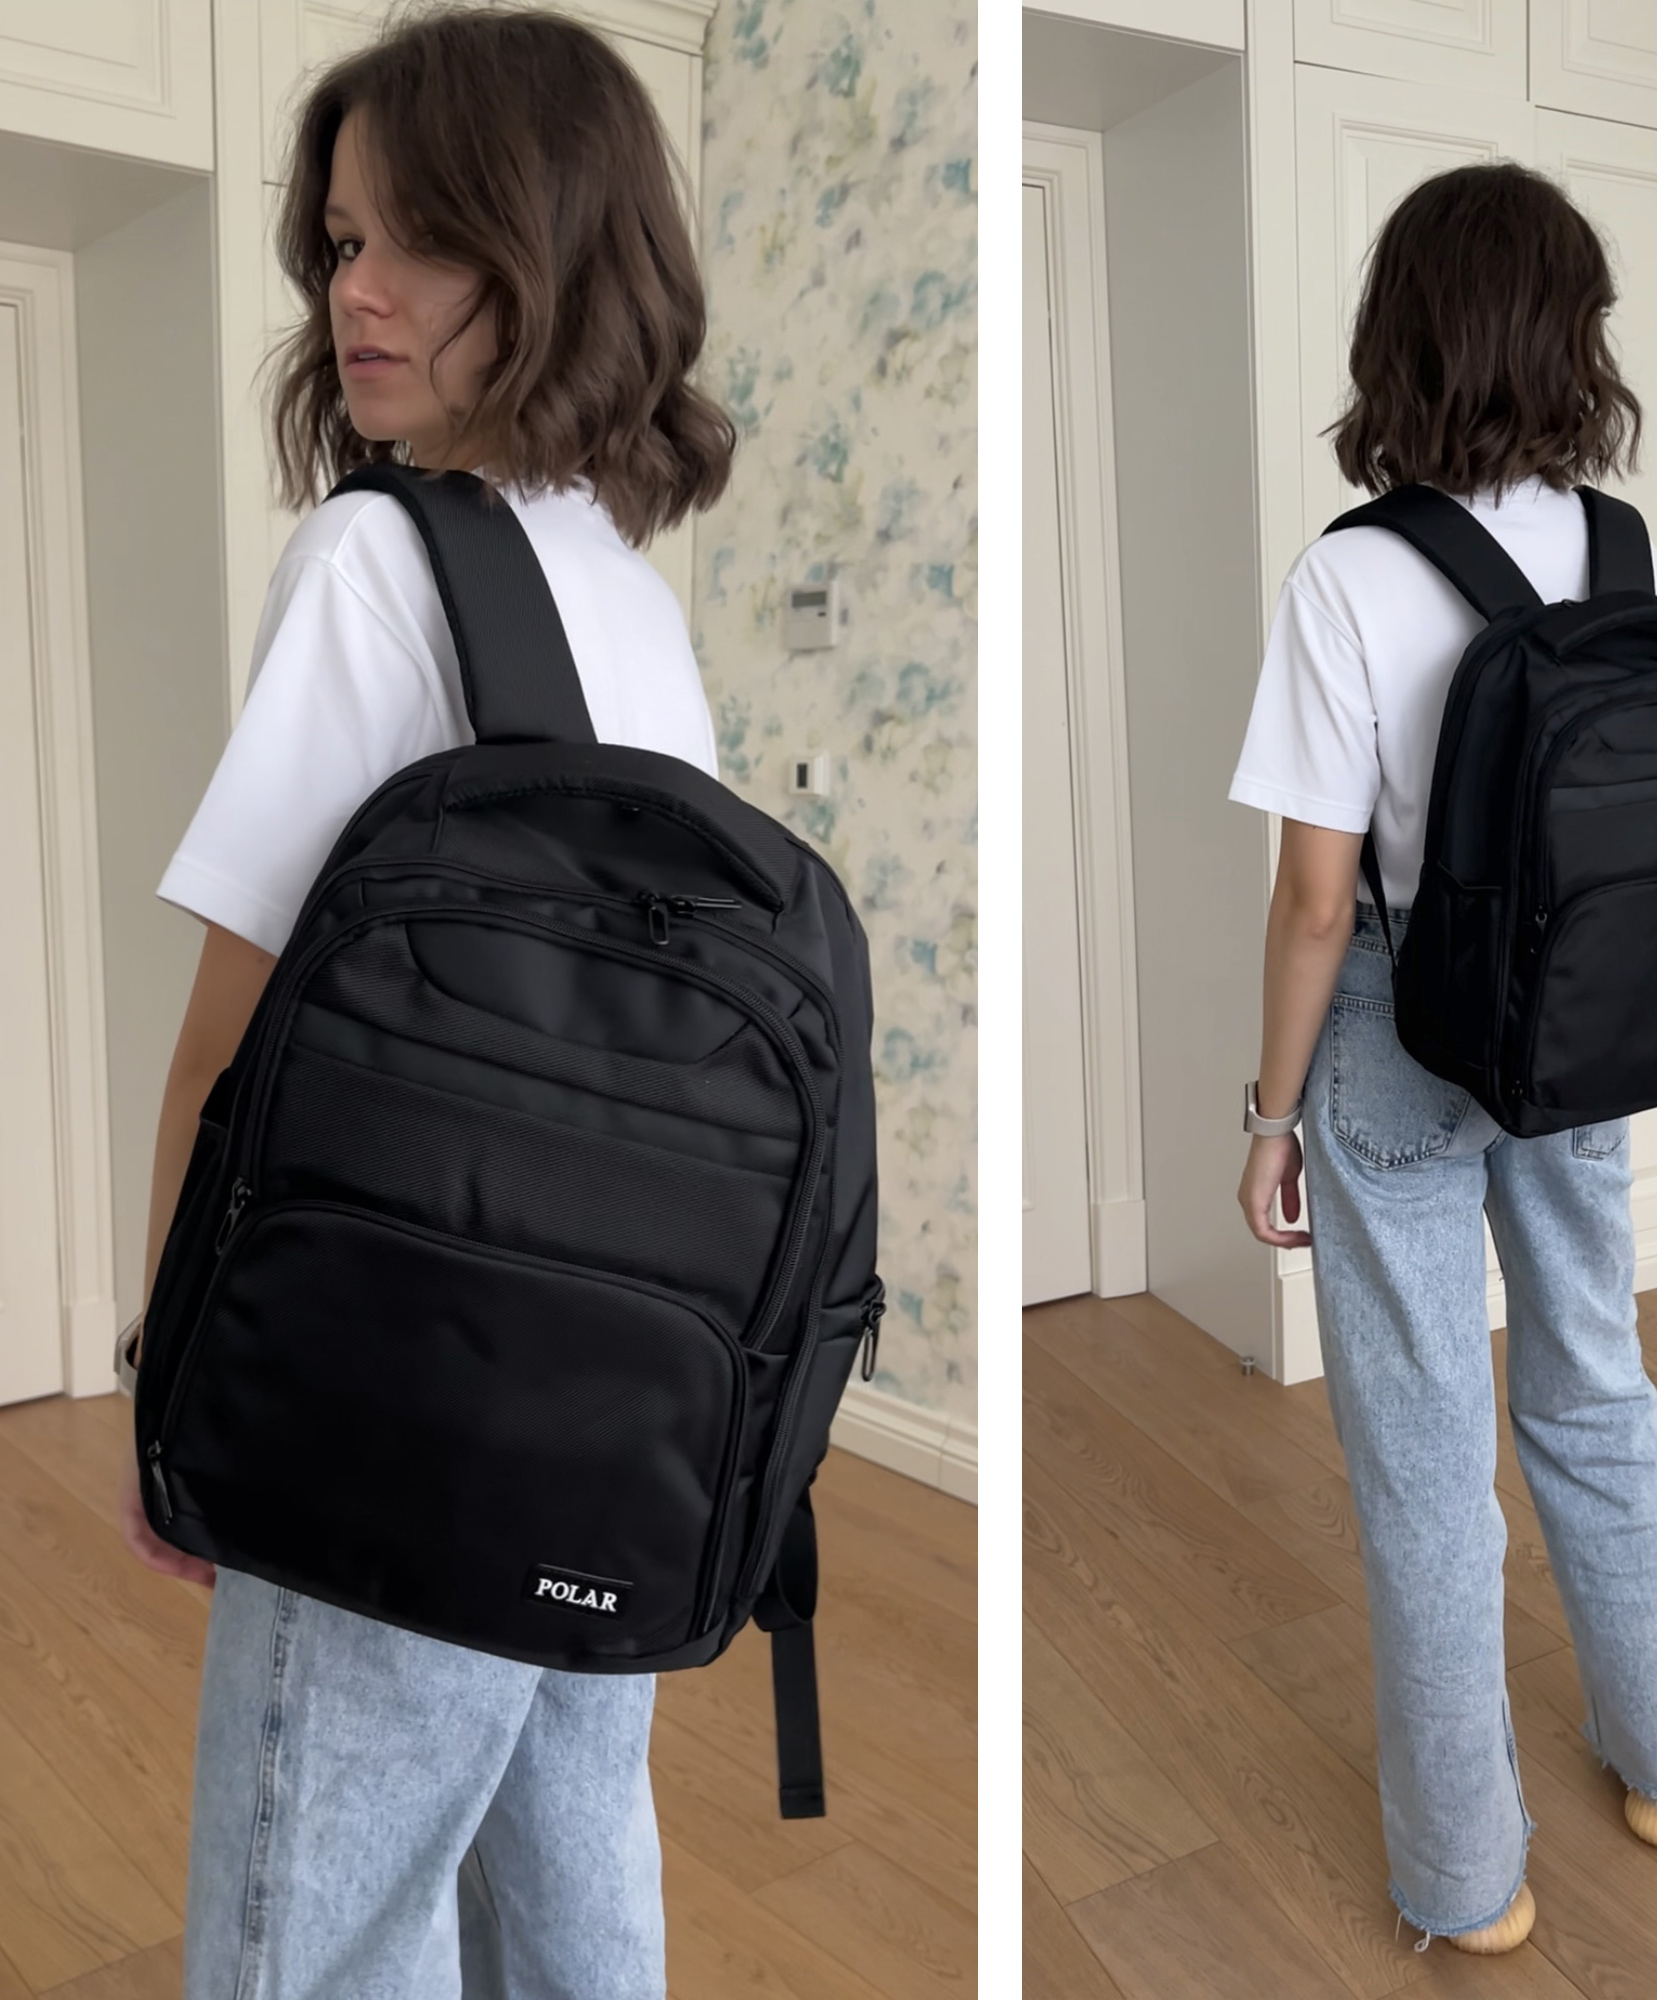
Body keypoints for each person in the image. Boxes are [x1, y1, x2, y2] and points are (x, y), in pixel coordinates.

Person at [115, 8, 733, 1992]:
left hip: (392, 1381)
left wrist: (172, 1387)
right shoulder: (629, 587)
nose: (352, 293)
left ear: (552, 253)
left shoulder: (377, 557)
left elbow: (232, 1051)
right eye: (339, 241)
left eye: (419, 239)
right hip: (620, 1393)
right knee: (574, 1864)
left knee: (319, 1926)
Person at [1228, 161, 1657, 1956]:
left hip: (1400, 1035)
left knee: (1427, 1464)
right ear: (1574, 337)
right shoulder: (1632, 555)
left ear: (1402, 338)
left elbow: (1314, 899)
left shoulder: (1350, 577)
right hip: (1585, 1033)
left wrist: (1269, 1117)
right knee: (1597, 1390)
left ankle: (1466, 1881)